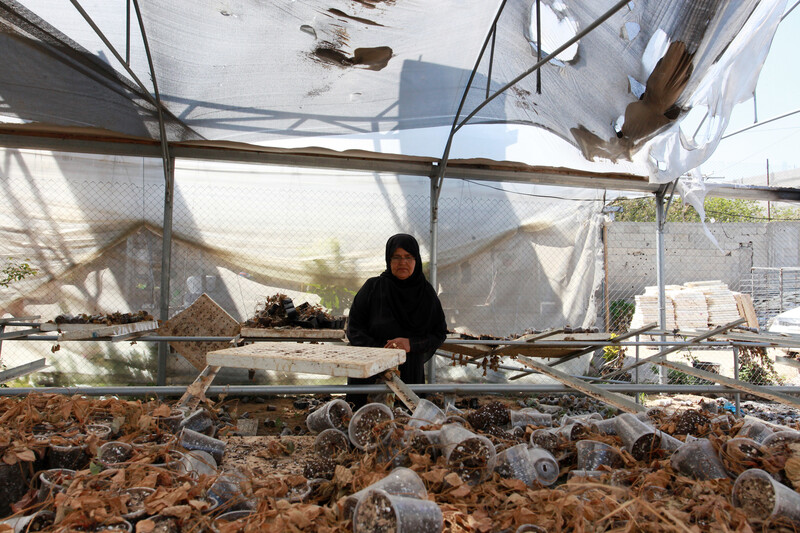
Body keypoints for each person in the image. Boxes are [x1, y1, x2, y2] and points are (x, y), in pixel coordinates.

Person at [345, 233, 448, 409]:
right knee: (365, 422)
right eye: (397, 257)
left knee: (404, 426)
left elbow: (438, 333)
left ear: (416, 260)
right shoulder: (373, 288)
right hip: (369, 369)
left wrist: (410, 344)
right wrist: (383, 351)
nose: (403, 263)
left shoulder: (426, 294)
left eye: (408, 257)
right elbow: (354, 328)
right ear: (388, 259)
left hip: (409, 371)